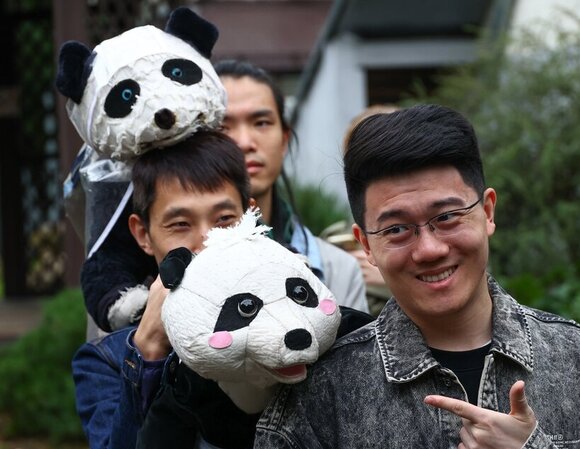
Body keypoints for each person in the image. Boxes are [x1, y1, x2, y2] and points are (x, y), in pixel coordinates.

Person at [253, 104, 580, 448]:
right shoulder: (322, 394)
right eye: (396, 229)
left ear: (487, 212)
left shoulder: (572, 357)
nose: (429, 250)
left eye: (447, 216)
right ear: (366, 243)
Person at [72, 131, 255, 449]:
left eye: (225, 219)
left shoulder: (295, 321)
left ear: (251, 217)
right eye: (180, 224)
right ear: (143, 234)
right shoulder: (105, 362)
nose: (206, 242)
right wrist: (149, 349)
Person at [214, 59, 368, 314]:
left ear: (284, 139)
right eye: (222, 126)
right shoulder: (169, 267)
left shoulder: (338, 271)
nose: (244, 142)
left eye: (261, 122)